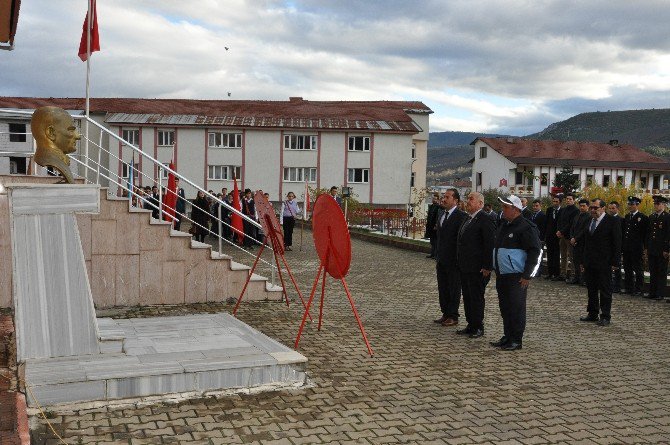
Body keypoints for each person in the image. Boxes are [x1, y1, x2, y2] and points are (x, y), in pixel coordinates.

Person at [491, 195, 542, 351]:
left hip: (517, 276)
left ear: (516, 209)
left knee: (516, 308)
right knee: (505, 307)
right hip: (502, 274)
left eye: (506, 207)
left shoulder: (526, 227)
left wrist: (528, 275)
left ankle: (516, 340)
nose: (503, 210)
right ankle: (507, 336)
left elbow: (536, 252)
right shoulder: (505, 225)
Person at [455, 192, 495, 339]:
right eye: (468, 199)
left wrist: (487, 266)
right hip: (465, 266)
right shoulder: (468, 218)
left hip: (478, 267)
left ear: (480, 203)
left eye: (471, 199)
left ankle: (478, 326)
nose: (468, 201)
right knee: (467, 296)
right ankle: (470, 324)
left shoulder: (485, 219)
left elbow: (489, 244)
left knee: (476, 297)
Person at [579, 198, 622, 326]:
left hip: (605, 262)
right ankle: (592, 313)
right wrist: (583, 260)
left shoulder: (612, 221)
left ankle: (605, 316)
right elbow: (586, 242)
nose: (592, 210)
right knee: (591, 289)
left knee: (605, 290)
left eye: (595, 208)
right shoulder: (589, 220)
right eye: (591, 207)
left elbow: (617, 243)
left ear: (603, 208)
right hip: (590, 262)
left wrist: (615, 262)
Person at [434, 189, 467, 327]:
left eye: (447, 197)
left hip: (454, 260)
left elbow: (462, 240)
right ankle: (445, 313)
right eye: (443, 196)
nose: (444, 199)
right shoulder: (442, 214)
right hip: (441, 258)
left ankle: (453, 315)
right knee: (443, 287)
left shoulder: (461, 216)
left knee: (453, 288)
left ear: (456, 200)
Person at [30, 106, 81, 184]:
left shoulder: (60, 160)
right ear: (51, 133)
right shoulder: (53, 161)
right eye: (71, 130)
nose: (78, 136)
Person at [645, 196, 670, 301]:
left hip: (662, 250)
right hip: (652, 249)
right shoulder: (651, 217)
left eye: (658, 203)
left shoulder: (667, 217)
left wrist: (666, 250)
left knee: (661, 272)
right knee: (653, 271)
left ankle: (660, 293)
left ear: (663, 205)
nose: (656, 205)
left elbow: (668, 234)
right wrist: (646, 248)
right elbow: (648, 234)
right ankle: (652, 292)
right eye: (655, 203)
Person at [622, 196, 648, 296]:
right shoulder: (627, 216)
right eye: (629, 204)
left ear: (637, 205)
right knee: (627, 268)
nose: (630, 206)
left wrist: (645, 248)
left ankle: (639, 289)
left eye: (632, 204)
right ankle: (629, 287)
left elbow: (644, 234)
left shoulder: (643, 217)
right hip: (627, 247)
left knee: (638, 269)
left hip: (637, 248)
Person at [567, 199, 591, 285]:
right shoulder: (577, 216)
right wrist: (572, 237)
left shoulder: (589, 216)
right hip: (574, 242)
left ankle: (583, 279)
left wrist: (576, 239)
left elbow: (585, 230)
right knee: (575, 260)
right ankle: (576, 277)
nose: (582, 207)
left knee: (583, 261)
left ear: (588, 206)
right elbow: (572, 228)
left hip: (583, 242)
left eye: (584, 206)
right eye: (580, 206)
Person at [556, 193, 578, 281]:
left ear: (574, 200)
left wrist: (561, 231)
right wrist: (559, 231)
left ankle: (573, 274)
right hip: (562, 236)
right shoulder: (563, 209)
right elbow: (559, 221)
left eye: (570, 199)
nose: (568, 200)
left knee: (571, 256)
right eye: (567, 199)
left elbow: (571, 224)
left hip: (569, 236)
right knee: (563, 256)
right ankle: (563, 274)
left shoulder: (576, 210)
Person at [607, 201, 623, 293]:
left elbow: (620, 236)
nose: (611, 210)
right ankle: (610, 284)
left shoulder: (620, 220)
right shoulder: (607, 219)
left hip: (616, 247)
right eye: (610, 208)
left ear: (617, 209)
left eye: (613, 208)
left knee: (617, 267)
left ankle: (617, 286)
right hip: (608, 247)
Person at [544, 195, 562, 280]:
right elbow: (546, 223)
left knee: (556, 255)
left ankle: (557, 273)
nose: (554, 203)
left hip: (558, 236)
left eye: (556, 201)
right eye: (553, 201)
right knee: (550, 255)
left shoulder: (562, 211)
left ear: (560, 202)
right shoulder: (549, 210)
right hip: (549, 236)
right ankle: (550, 273)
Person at [529, 199, 547, 276]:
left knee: (539, 255)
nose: (535, 207)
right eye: (534, 206)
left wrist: (542, 239)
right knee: (533, 254)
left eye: (537, 206)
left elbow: (543, 228)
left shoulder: (543, 215)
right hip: (532, 237)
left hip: (539, 238)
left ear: (540, 206)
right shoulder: (532, 215)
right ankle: (532, 270)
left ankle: (538, 271)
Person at [424, 193, 441, 259]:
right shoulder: (431, 206)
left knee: (435, 241)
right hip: (430, 226)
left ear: (437, 200)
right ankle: (432, 253)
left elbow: (438, 216)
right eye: (433, 198)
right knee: (432, 241)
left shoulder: (439, 207)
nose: (433, 200)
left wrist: (436, 224)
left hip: (435, 226)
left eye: (435, 199)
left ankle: (436, 255)